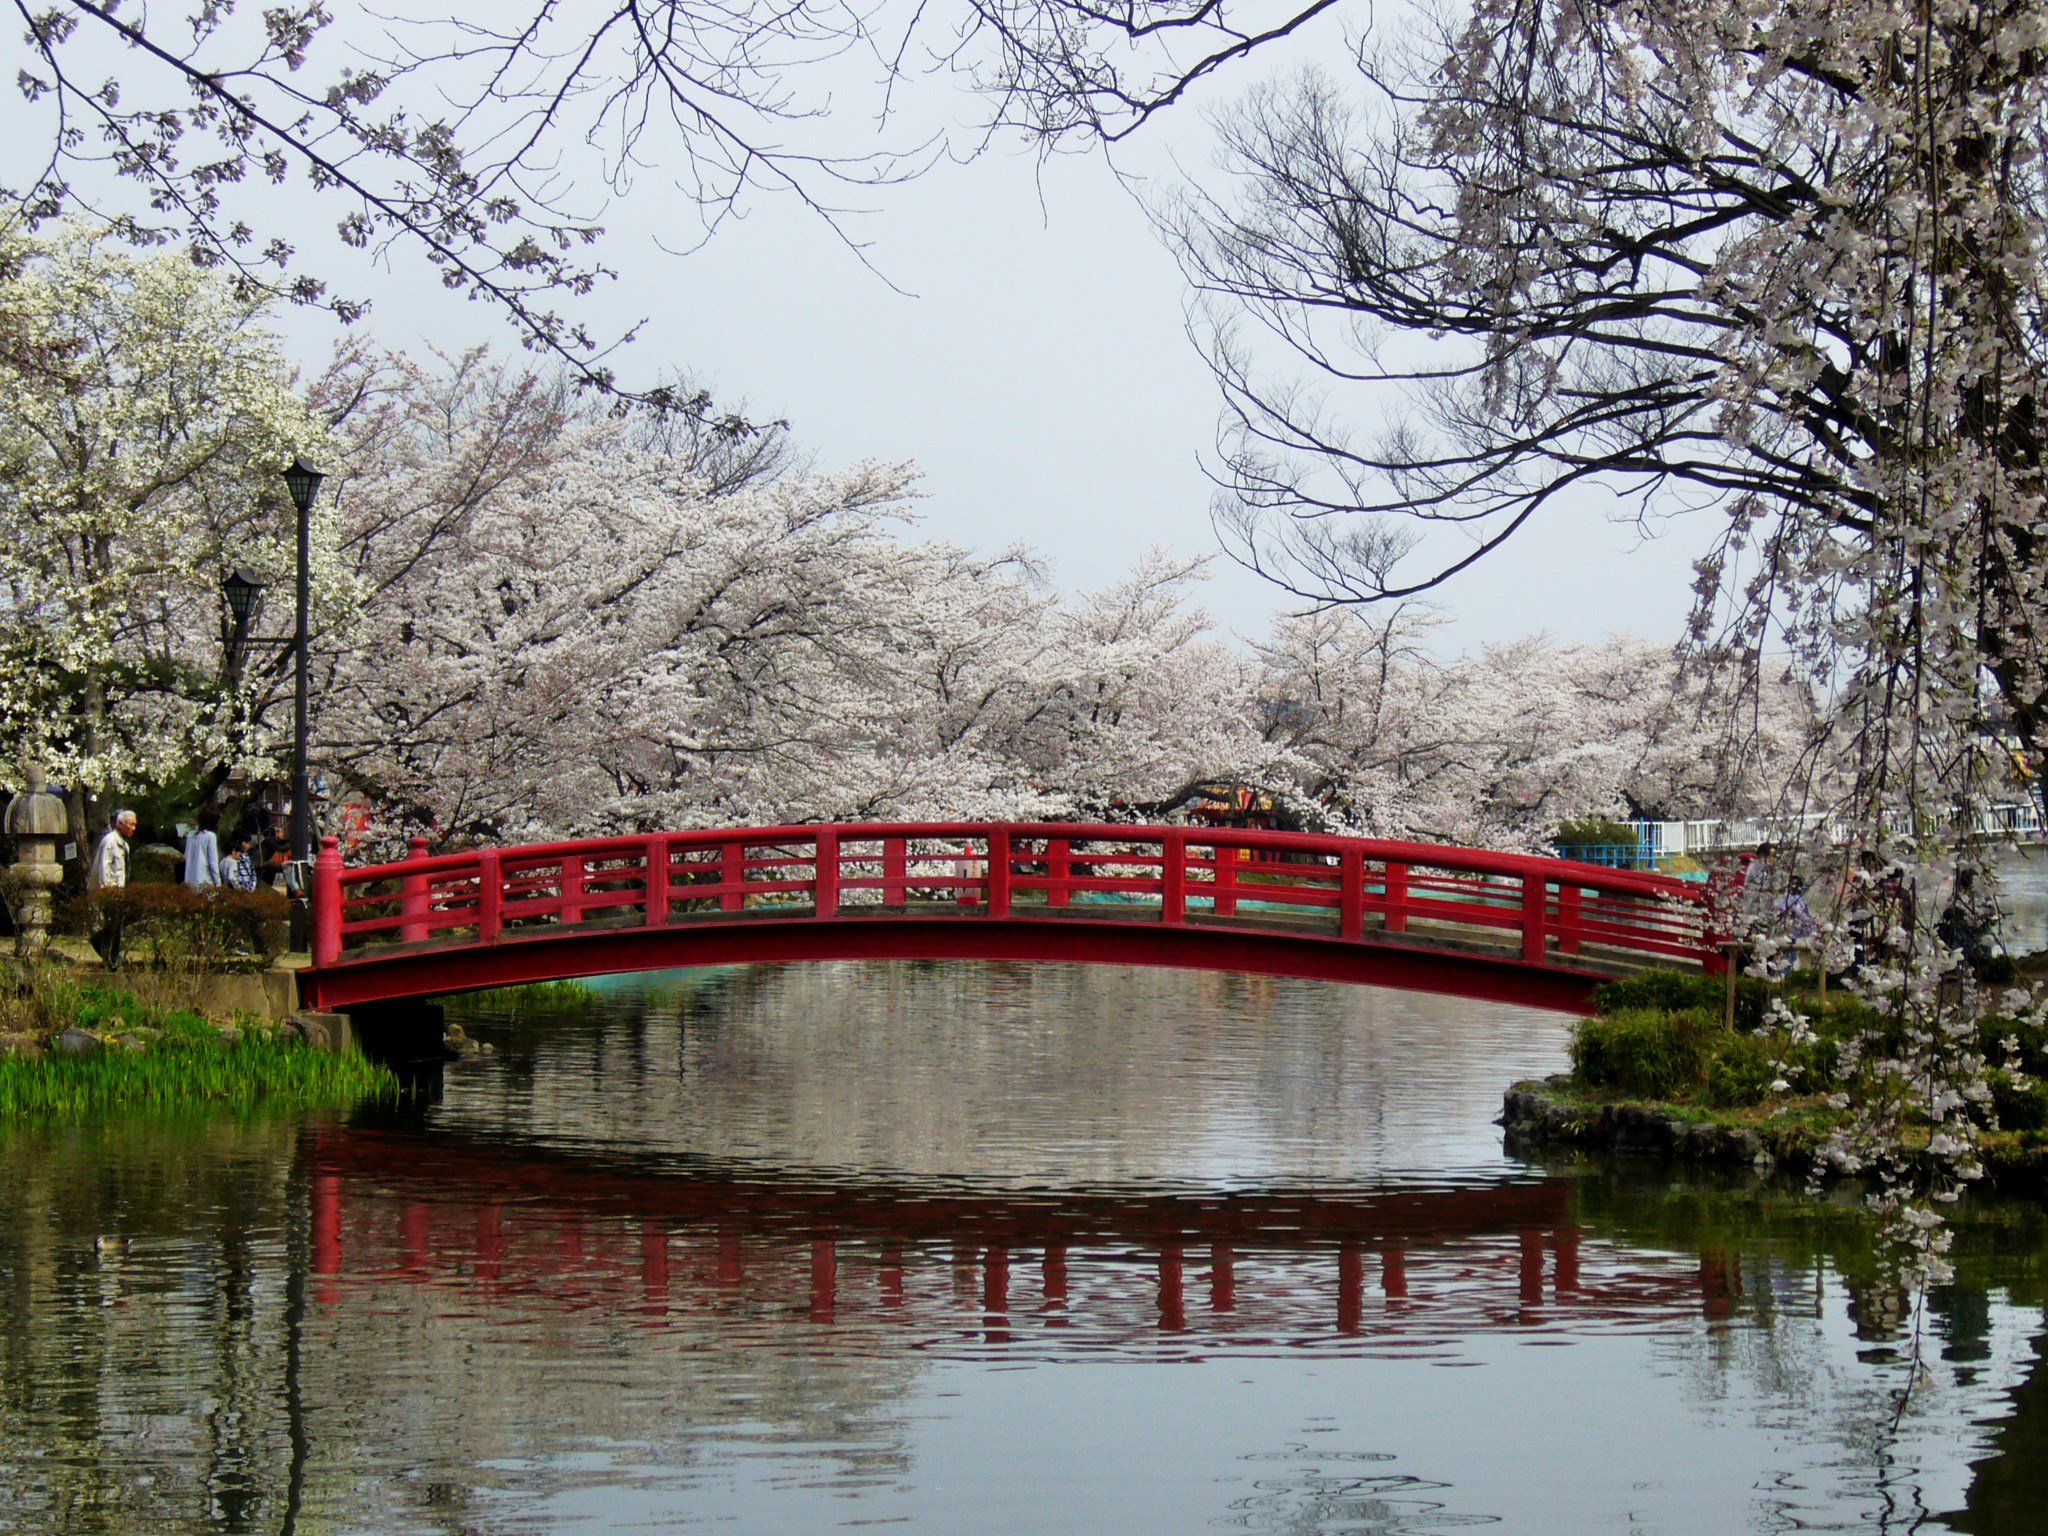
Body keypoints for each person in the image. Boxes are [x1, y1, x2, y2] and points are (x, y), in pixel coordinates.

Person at [85, 808, 137, 966]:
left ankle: (111, 953)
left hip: (120, 889)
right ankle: (110, 955)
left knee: (117, 924)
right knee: (112, 924)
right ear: (120, 824)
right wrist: (107, 890)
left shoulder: (124, 845)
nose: (133, 828)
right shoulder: (110, 841)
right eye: (131, 825)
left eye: (135, 825)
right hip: (110, 889)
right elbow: (104, 867)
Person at [182, 805, 221, 888]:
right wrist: (218, 883)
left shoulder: (191, 835)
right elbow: (213, 862)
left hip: (189, 880)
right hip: (205, 881)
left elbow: (186, 856)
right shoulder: (210, 836)